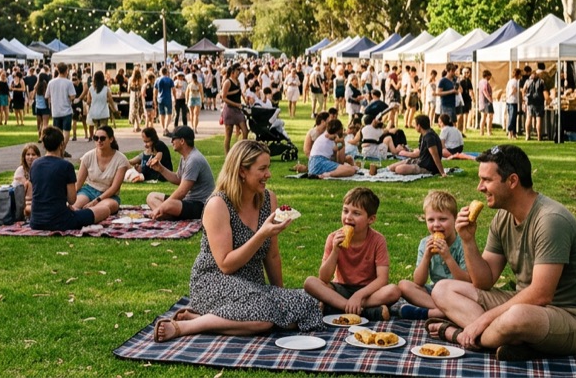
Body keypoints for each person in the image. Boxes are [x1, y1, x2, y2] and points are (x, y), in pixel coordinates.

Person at [429, 145, 576, 361]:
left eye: (486, 180)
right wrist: (467, 240)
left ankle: (459, 335)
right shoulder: (503, 218)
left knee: (516, 316)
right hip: (528, 304)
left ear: (512, 181)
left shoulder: (550, 220)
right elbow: (483, 281)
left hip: (575, 319)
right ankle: (507, 338)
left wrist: (482, 321)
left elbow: (542, 294)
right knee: (442, 289)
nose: (479, 188)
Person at [153, 140, 322, 342]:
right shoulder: (218, 204)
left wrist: (281, 295)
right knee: (264, 319)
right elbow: (225, 265)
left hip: (253, 285)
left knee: (309, 306)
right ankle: (186, 326)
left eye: (268, 167)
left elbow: (273, 255)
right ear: (242, 171)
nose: (268, 174)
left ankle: (210, 319)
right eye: (263, 168)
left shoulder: (268, 199)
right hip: (214, 281)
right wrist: (261, 235)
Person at [303, 187, 400, 320]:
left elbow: (382, 279)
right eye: (345, 211)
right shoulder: (333, 238)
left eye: (356, 213)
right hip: (340, 288)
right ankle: (361, 310)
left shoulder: (378, 240)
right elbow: (323, 278)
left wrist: (359, 295)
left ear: (370, 219)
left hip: (368, 291)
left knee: (394, 291)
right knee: (310, 282)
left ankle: (335, 306)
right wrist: (335, 250)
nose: (348, 217)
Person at [396, 190, 468, 320]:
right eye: (431, 220)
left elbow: (466, 281)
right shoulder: (425, 243)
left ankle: (429, 313)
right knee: (403, 285)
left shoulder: (463, 244)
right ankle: (444, 312)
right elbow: (418, 281)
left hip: (458, 293)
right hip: (434, 292)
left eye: (442, 219)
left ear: (455, 219)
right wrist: (426, 257)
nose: (436, 224)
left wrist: (448, 257)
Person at [29, 126, 115, 231]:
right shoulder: (66, 166)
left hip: (36, 220)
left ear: (44, 144)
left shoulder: (35, 164)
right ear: (61, 144)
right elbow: (72, 199)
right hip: (60, 221)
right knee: (105, 210)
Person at [146, 126, 215, 221]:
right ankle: (165, 214)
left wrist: (161, 207)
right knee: (151, 197)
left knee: (169, 204)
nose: (171, 142)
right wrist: (160, 169)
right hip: (187, 201)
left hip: (200, 205)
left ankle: (164, 213)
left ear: (182, 141)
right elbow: (178, 179)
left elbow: (182, 192)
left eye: (174, 139)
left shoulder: (194, 159)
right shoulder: (185, 157)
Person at [72, 125, 126, 213]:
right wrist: (67, 200)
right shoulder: (88, 156)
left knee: (104, 208)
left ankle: (87, 215)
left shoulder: (121, 160)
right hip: (88, 191)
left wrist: (95, 202)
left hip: (109, 195)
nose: (99, 141)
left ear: (111, 139)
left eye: (102, 138)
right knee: (74, 206)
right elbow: (78, 183)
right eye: (96, 138)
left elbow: (114, 188)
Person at [219, 65, 247, 153]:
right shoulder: (228, 82)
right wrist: (235, 104)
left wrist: (244, 99)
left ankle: (241, 151)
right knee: (228, 133)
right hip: (229, 109)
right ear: (232, 72)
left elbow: (239, 92)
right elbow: (223, 97)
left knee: (245, 130)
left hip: (237, 109)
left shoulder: (237, 81)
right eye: (237, 71)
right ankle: (227, 155)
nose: (238, 72)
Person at [46, 63, 76, 142]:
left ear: (58, 70)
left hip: (56, 110)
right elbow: (73, 96)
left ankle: (58, 149)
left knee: (57, 133)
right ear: (67, 71)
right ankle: (63, 149)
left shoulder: (51, 82)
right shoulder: (68, 83)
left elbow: (47, 95)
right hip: (66, 110)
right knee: (66, 131)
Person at [85, 70, 114, 137]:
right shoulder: (106, 89)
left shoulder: (91, 89)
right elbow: (111, 100)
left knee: (97, 130)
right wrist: (114, 109)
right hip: (104, 113)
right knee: (104, 131)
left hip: (94, 113)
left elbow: (88, 101)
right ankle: (102, 142)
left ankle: (98, 140)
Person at [524, 66, 548, 141]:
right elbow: (545, 93)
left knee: (528, 118)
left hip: (530, 102)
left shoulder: (528, 81)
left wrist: (525, 98)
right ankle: (539, 137)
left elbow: (523, 90)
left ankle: (527, 136)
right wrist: (547, 99)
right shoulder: (541, 81)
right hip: (539, 102)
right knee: (538, 119)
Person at [155, 66, 175, 134]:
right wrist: (174, 97)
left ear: (160, 72)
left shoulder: (157, 80)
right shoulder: (170, 80)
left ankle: (163, 128)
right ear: (166, 72)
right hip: (167, 98)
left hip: (160, 98)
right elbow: (173, 89)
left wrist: (154, 98)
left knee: (161, 113)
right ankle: (166, 127)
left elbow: (155, 90)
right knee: (169, 113)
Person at [504, 68, 522, 140]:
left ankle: (514, 133)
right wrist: (509, 96)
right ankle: (510, 132)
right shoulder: (515, 82)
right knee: (512, 117)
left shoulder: (510, 81)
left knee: (513, 117)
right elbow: (513, 90)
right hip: (512, 101)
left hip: (510, 101)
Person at [478, 70, 495, 136]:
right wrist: (489, 98)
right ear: (487, 75)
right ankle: (489, 131)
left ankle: (481, 131)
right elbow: (485, 90)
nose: (490, 77)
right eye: (490, 76)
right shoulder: (485, 82)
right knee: (489, 116)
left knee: (483, 117)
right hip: (486, 101)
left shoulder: (480, 81)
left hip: (481, 101)